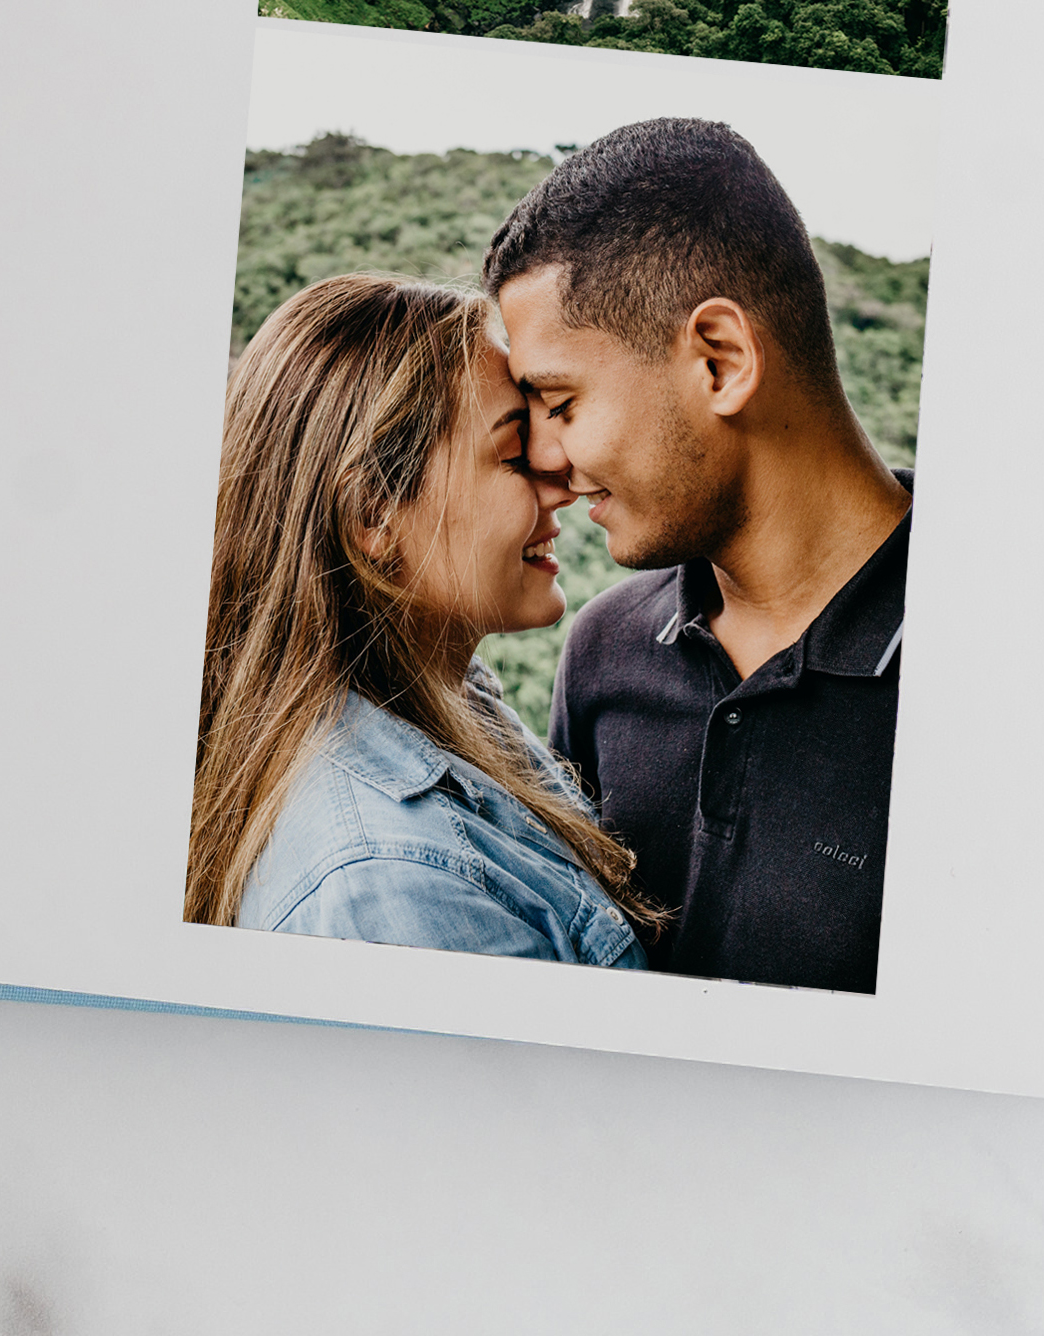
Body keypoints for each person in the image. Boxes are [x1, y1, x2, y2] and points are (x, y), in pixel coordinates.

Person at [484, 117, 913, 995]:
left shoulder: (1023, 667)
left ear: (719, 361)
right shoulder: (603, 653)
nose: (545, 459)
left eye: (559, 402)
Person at [183, 271, 660, 963]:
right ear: (374, 514)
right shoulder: (391, 885)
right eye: (511, 452)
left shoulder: (448, 703)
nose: (560, 478)